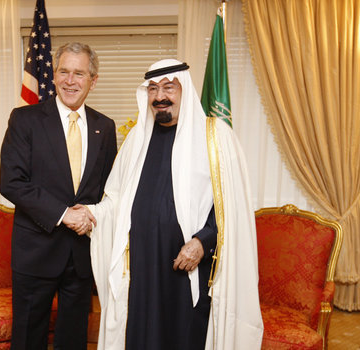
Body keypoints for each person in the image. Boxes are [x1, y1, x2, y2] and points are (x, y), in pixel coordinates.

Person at [77, 59, 263, 349]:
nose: (159, 96)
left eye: (168, 87)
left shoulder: (215, 137)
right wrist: (92, 213)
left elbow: (231, 206)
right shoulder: (136, 140)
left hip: (187, 264)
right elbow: (116, 200)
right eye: (152, 89)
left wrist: (202, 241)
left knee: (184, 336)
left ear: (184, 90)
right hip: (140, 265)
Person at [0, 42, 117, 350]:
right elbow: (11, 182)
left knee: (74, 338)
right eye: (63, 71)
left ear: (93, 79)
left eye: (79, 73)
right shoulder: (25, 119)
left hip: (81, 254)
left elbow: (109, 189)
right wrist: (65, 214)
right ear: (54, 75)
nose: (69, 80)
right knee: (28, 337)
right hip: (36, 251)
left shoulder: (105, 127)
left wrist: (93, 215)